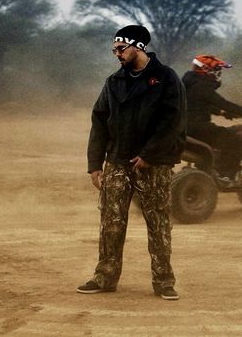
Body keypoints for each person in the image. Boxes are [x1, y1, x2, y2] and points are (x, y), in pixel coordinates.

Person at [77, 25, 186, 300]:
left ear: (138, 46)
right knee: (111, 222)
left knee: (158, 223)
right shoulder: (114, 82)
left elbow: (173, 122)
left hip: (154, 164)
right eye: (114, 49)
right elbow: (99, 121)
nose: (117, 54)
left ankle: (163, 281)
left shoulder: (166, 78)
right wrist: (95, 164)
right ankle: (105, 277)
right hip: (117, 161)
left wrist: (149, 154)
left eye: (121, 48)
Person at [182, 54, 242, 179]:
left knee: (222, 136)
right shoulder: (202, 86)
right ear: (206, 69)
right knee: (235, 140)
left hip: (183, 127)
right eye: (217, 70)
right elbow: (224, 103)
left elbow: (199, 104)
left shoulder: (188, 83)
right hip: (198, 128)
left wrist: (222, 113)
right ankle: (225, 175)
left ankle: (209, 169)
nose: (218, 74)